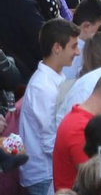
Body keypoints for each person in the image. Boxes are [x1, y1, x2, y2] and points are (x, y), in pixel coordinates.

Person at [19, 17, 76, 195]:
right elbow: (50, 139)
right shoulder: (42, 87)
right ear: (57, 48)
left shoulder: (53, 79)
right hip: (44, 175)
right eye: (73, 46)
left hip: (51, 172)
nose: (78, 52)